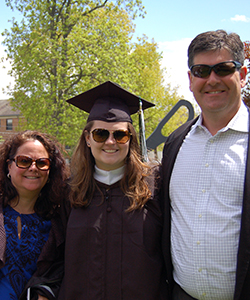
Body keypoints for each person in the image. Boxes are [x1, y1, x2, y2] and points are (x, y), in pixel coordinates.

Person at [55, 81, 168, 299]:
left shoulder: (155, 188)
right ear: (87, 139)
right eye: (100, 134)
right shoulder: (70, 192)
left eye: (120, 135)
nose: (110, 142)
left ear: (131, 139)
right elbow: (55, 255)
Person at [160, 29, 249, 300]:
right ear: (190, 79)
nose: (212, 80)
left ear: (242, 75)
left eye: (223, 69)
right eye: (201, 70)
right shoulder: (176, 143)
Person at [0, 130, 69, 300]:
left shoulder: (60, 223)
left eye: (41, 162)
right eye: (24, 161)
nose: (33, 168)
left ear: (50, 170)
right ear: (9, 166)